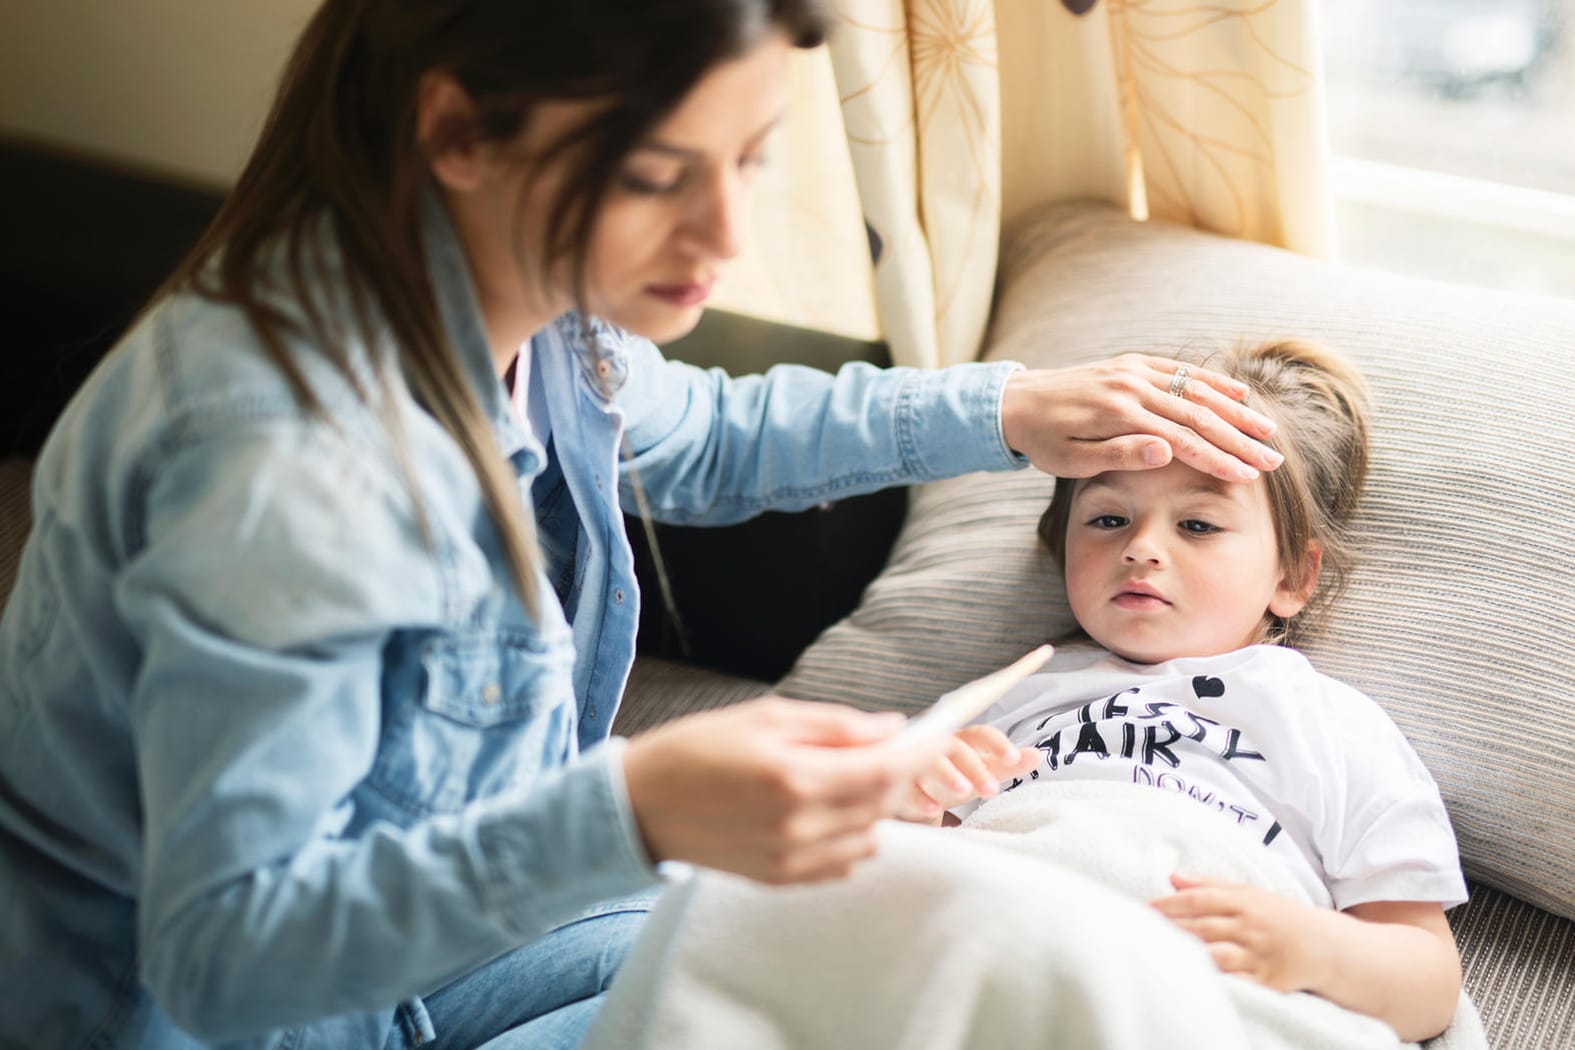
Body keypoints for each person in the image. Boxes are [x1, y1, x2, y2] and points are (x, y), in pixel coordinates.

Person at [0, 2, 1285, 1047]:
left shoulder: (533, 299)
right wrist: (632, 810)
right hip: (224, 1015)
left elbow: (705, 440)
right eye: (661, 175)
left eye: (750, 160)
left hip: (444, 949)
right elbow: (229, 956)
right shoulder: (285, 469)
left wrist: (1011, 407)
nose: (724, 233)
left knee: (956, 937)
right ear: (457, 128)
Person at [898, 340, 1467, 1043]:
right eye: (1107, 519)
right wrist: (916, 811)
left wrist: (1311, 947)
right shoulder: (1011, 694)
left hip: (1197, 979)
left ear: (1292, 576)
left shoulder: (1335, 727)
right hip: (1011, 935)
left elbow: (1427, 983)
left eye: (1197, 524)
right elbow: (915, 873)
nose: (1140, 548)